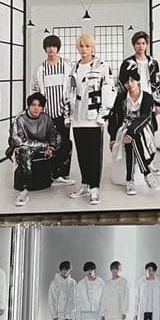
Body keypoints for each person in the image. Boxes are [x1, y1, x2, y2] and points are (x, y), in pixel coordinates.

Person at [65, 34, 115, 206]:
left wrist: (103, 115)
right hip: (77, 117)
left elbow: (109, 91)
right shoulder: (74, 68)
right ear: (77, 48)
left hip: (94, 118)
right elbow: (68, 92)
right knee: (82, 153)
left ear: (92, 48)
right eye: (81, 46)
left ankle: (94, 188)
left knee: (94, 155)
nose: (84, 49)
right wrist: (68, 116)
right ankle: (85, 184)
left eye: (87, 46)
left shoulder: (102, 66)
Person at [107, 65, 159, 195]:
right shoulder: (121, 98)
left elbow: (145, 117)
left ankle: (130, 180)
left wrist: (131, 133)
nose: (129, 84)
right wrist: (112, 138)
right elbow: (113, 118)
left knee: (133, 138)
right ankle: (146, 173)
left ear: (138, 80)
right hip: (124, 128)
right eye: (126, 82)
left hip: (143, 128)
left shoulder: (147, 97)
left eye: (132, 80)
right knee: (131, 139)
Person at [32, 34, 75, 185]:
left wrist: (69, 114)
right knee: (47, 144)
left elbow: (72, 90)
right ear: (45, 49)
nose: (51, 49)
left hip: (63, 113)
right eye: (48, 46)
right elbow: (35, 89)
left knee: (64, 143)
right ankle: (48, 173)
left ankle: (62, 174)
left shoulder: (67, 66)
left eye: (54, 46)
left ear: (58, 48)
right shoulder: (40, 68)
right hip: (46, 115)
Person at [8, 92, 64, 207]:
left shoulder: (46, 118)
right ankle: (24, 189)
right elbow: (16, 140)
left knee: (62, 142)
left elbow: (54, 135)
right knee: (24, 150)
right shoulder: (20, 119)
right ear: (29, 106)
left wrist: (51, 147)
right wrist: (43, 145)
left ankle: (54, 176)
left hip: (40, 147)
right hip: (23, 148)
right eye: (33, 105)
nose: (36, 108)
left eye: (39, 105)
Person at [118, 31, 160, 131]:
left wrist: (158, 104)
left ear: (147, 45)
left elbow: (158, 83)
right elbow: (121, 83)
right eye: (138, 43)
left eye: (143, 43)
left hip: (148, 98)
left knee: (149, 128)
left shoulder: (153, 63)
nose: (141, 46)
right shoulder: (127, 63)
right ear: (134, 45)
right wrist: (121, 102)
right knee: (131, 128)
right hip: (132, 99)